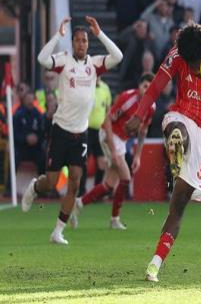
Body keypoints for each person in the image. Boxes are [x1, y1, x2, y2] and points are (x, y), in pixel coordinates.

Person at [125, 24, 201, 282]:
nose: (195, 70)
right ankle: (176, 151)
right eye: (190, 65)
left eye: (197, 65)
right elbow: (155, 87)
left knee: (179, 204)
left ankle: (155, 263)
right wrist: (139, 115)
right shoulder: (177, 55)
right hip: (181, 116)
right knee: (176, 128)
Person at [21, 16, 123, 245]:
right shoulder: (64, 61)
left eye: (84, 40)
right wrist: (57, 36)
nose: (81, 44)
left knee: (75, 183)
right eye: (77, 40)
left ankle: (58, 231)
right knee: (51, 182)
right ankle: (35, 187)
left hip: (81, 133)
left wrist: (100, 33)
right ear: (72, 43)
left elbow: (118, 56)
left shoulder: (94, 64)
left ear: (88, 43)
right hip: (60, 131)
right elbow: (41, 58)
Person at [71, 73, 155, 230]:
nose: (147, 90)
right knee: (126, 177)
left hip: (121, 140)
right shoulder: (127, 98)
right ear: (139, 86)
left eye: (151, 87)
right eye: (145, 86)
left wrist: (138, 156)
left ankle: (79, 203)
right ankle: (114, 219)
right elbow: (107, 120)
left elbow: (143, 131)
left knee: (109, 185)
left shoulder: (152, 107)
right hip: (108, 135)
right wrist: (114, 151)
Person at [78, 76, 112, 195]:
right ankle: (81, 191)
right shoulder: (85, 87)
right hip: (86, 130)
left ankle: (96, 192)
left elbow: (108, 109)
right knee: (83, 161)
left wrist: (107, 128)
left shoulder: (105, 88)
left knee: (102, 162)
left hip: (100, 131)